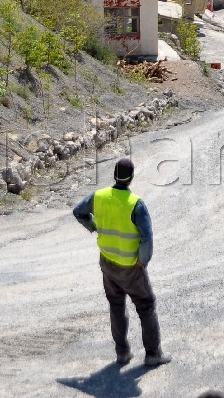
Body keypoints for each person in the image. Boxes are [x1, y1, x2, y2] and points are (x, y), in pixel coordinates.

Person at [73, 157, 172, 368]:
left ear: (114, 175)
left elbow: (78, 211)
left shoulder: (99, 196)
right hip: (130, 267)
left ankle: (122, 353)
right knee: (146, 306)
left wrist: (94, 226)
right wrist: (142, 262)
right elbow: (147, 238)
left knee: (116, 306)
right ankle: (153, 354)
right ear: (131, 178)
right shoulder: (136, 204)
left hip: (107, 263)